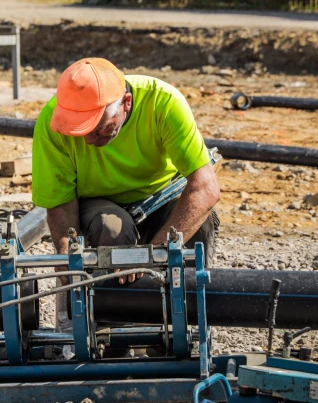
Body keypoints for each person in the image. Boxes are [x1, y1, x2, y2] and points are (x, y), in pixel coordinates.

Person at [31, 58, 220, 288]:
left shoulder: (163, 102)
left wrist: (153, 256)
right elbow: (60, 203)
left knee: (197, 226)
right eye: (80, 131)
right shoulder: (53, 123)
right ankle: (109, 313)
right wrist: (66, 254)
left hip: (160, 195)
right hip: (99, 201)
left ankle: (186, 310)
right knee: (112, 229)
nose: (89, 140)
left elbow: (204, 188)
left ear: (126, 103)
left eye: (100, 128)